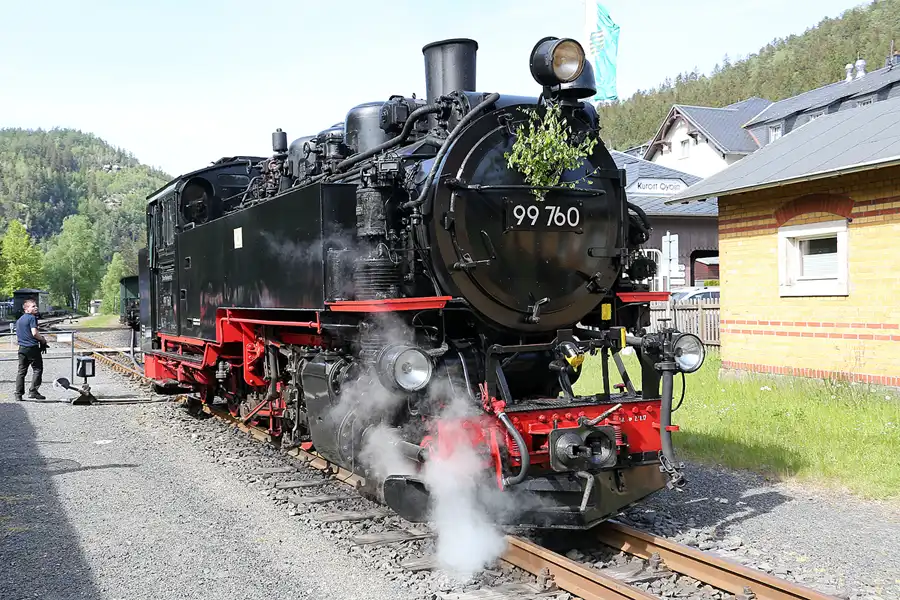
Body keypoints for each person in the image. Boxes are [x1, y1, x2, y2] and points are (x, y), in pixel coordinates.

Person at [14, 299, 48, 401]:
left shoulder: (19, 320)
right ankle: (33, 391)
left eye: (35, 306)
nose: (36, 307)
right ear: (26, 309)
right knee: (37, 369)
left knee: (21, 372)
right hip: (32, 348)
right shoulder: (32, 318)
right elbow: (34, 333)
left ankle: (18, 394)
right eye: (33, 306)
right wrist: (42, 340)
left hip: (22, 349)